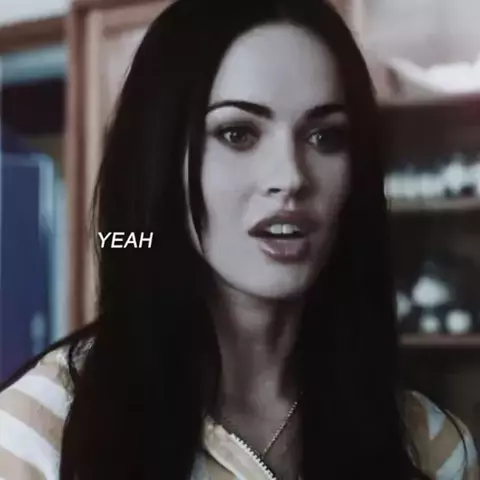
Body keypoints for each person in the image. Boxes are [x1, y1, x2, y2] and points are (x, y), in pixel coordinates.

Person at [0, 0, 478, 478]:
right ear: (161, 156)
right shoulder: (40, 431)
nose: (290, 177)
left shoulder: (430, 449)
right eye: (238, 134)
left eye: (325, 137)